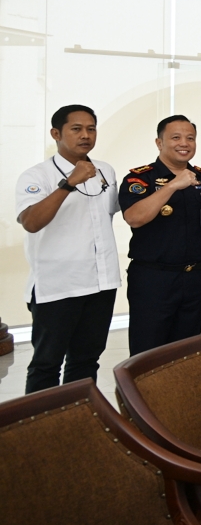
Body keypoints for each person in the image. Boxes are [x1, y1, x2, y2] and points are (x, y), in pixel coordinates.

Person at [16, 105, 120, 393]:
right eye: (76, 129)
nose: (85, 135)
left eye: (91, 129)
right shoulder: (36, 175)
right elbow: (31, 222)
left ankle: (78, 416)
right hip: (58, 286)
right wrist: (69, 183)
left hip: (101, 283)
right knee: (46, 364)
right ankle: (40, 420)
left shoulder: (105, 170)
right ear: (56, 134)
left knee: (86, 360)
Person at [120, 114, 201, 356]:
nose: (184, 143)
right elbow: (134, 217)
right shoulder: (140, 178)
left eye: (190, 138)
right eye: (176, 138)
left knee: (187, 352)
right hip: (153, 279)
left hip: (194, 278)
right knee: (147, 353)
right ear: (159, 142)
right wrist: (172, 185)